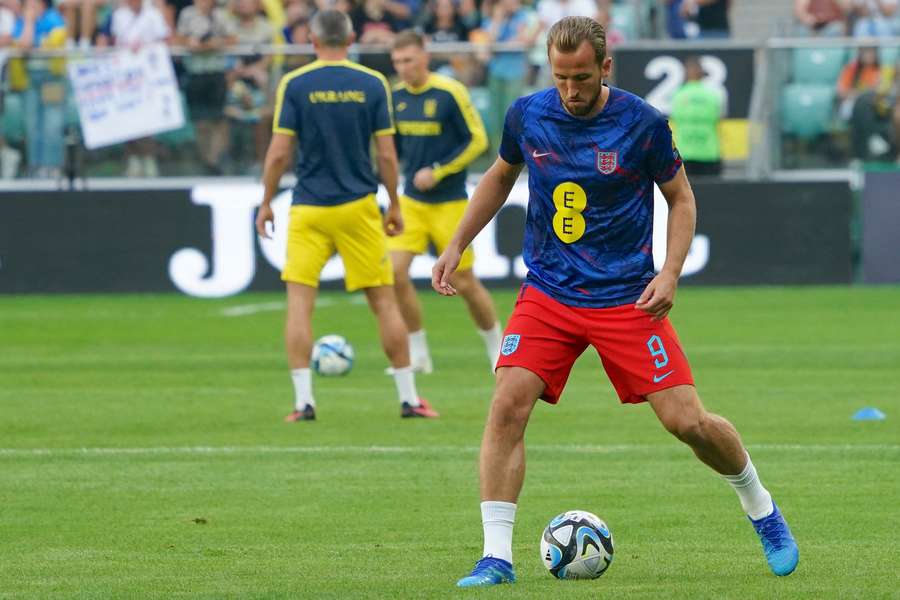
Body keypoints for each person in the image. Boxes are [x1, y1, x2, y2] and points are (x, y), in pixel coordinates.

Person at [431, 16, 799, 587]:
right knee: (507, 404)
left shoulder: (644, 124)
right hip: (549, 291)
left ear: (605, 67)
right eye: (561, 78)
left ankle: (763, 509)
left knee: (687, 422)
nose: (571, 91)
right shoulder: (527, 114)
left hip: (626, 298)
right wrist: (457, 242)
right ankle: (496, 557)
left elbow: (680, 199)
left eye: (581, 77)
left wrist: (671, 273)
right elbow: (500, 177)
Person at [255, 9, 439, 422]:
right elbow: (387, 154)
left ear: (313, 41)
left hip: (308, 209)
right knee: (383, 303)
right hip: (358, 208)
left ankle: (304, 403)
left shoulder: (295, 84)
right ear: (351, 38)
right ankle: (409, 399)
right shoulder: (372, 83)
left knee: (300, 306)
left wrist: (266, 201)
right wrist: (394, 202)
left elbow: (280, 151)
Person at [388, 29, 500, 374]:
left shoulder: (450, 92)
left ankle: (497, 346)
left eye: (408, 60)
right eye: (397, 62)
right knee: (394, 273)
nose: (403, 68)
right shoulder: (396, 98)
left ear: (424, 56)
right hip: (411, 201)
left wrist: (439, 170)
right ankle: (418, 352)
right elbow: (390, 148)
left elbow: (479, 140)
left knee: (464, 282)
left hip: (449, 201)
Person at [98, 0, 171, 177]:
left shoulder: (153, 13)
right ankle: (133, 159)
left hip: (148, 73)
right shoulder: (118, 15)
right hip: (125, 73)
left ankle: (148, 158)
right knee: (128, 116)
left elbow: (165, 40)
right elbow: (108, 40)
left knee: (146, 117)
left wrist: (146, 49)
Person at [670, 55, 724, 178]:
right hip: (709, 152)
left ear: (686, 74)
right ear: (702, 74)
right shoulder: (713, 95)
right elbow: (718, 121)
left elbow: (675, 121)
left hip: (685, 154)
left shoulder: (678, 95)